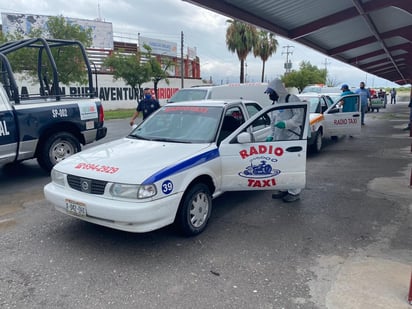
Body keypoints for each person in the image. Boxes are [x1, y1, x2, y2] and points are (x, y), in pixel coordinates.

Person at [264, 78, 304, 203]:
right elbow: (273, 123)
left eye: (271, 93)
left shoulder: (291, 99)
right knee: (281, 166)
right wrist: (271, 135)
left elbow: (299, 117)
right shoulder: (275, 104)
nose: (270, 95)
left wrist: (286, 124)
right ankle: (283, 189)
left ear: (278, 90)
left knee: (292, 166)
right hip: (279, 140)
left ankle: (294, 192)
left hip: (292, 139)